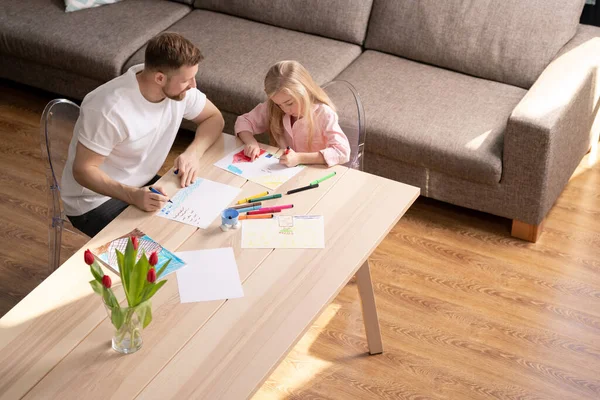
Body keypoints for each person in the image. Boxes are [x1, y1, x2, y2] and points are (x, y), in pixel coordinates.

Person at [62, 32, 224, 237]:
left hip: (142, 185)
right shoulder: (109, 109)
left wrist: (193, 153)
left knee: (202, 222)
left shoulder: (180, 92)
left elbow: (214, 118)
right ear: (159, 78)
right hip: (94, 202)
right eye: (187, 80)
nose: (194, 85)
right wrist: (133, 196)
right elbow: (83, 171)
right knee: (160, 250)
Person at [235, 60, 350, 168]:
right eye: (279, 104)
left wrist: (299, 158)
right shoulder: (274, 107)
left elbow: (342, 152)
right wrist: (251, 142)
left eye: (289, 103)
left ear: (305, 91)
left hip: (314, 172)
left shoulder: (324, 114)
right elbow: (244, 121)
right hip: (284, 171)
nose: (285, 109)